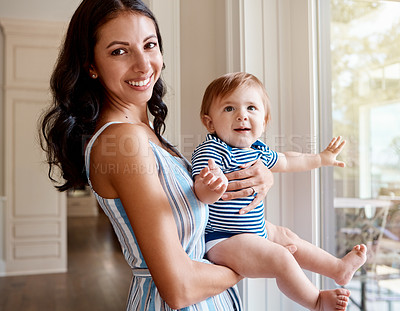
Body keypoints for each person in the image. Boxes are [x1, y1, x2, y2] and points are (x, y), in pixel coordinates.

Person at [39, 0, 278, 310]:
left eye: (149, 45)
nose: (143, 65)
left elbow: (201, 225)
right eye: (119, 51)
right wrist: (260, 261)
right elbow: (179, 288)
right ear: (91, 65)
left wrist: (257, 173)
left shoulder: (148, 136)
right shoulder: (123, 142)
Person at [191, 72, 368, 311]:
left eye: (251, 108)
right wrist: (212, 185)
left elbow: (288, 160)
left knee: (286, 236)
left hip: (257, 229)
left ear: (264, 122)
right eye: (229, 108)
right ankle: (316, 301)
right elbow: (201, 193)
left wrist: (320, 158)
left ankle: (338, 268)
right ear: (209, 122)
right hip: (224, 239)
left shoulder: (257, 151)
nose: (242, 115)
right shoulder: (213, 150)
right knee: (281, 256)